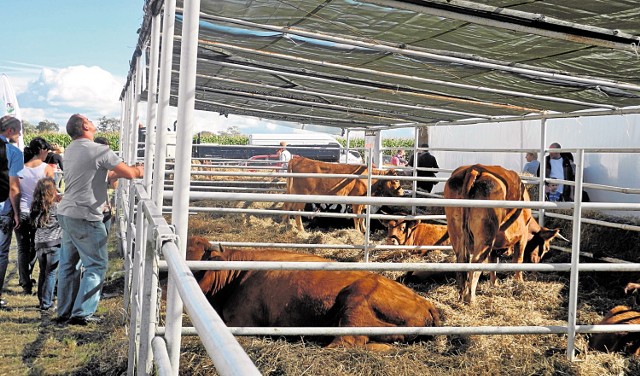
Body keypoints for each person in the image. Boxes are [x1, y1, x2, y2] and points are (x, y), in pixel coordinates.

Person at [55, 114, 144, 325]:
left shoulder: (71, 149)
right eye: (88, 120)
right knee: (96, 265)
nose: (92, 122)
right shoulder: (99, 150)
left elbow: (97, 175)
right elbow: (130, 174)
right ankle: (82, 313)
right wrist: (139, 169)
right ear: (85, 126)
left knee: (69, 265)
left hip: (67, 212)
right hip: (86, 215)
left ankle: (64, 311)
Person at [15, 137, 55, 295]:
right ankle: (42, 282)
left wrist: (16, 212)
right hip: (40, 212)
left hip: (23, 210)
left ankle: (25, 282)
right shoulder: (46, 168)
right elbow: (51, 192)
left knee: (23, 249)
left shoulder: (20, 169)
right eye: (47, 150)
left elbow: (15, 192)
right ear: (41, 150)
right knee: (39, 247)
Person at [0, 116, 24, 309]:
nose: (19, 134)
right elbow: (14, 187)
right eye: (18, 131)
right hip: (3, 209)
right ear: (9, 131)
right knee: (1, 253)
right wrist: (17, 212)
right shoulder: (13, 152)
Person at [30, 177, 62, 311]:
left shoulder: (35, 207)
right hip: (53, 244)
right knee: (51, 273)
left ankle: (42, 299)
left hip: (39, 244)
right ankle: (47, 303)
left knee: (42, 272)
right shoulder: (56, 207)